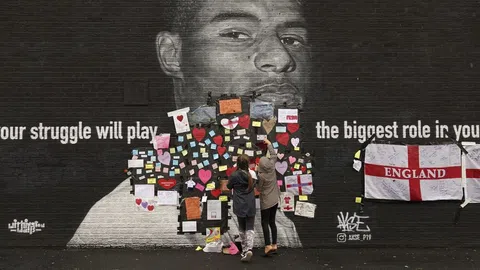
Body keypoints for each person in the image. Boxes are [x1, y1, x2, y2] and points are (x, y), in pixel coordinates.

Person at [67, 0, 309, 248]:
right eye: (235, 34)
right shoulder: (143, 216)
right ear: (172, 54)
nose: (281, 58)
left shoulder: (266, 203)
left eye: (292, 39)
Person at [227, 154, 256, 262]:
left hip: (239, 204)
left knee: (242, 228)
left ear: (238, 163)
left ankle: (244, 250)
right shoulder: (252, 174)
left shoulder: (234, 175)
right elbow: (255, 185)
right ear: (247, 163)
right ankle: (249, 249)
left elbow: (229, 186)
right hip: (250, 203)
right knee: (250, 228)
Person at [256, 138, 281, 256]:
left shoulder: (261, 176)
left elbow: (259, 189)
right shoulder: (272, 167)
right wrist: (269, 143)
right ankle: (275, 245)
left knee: (264, 222)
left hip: (266, 202)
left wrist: (257, 172)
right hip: (275, 200)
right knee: (272, 222)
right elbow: (273, 155)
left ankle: (267, 246)